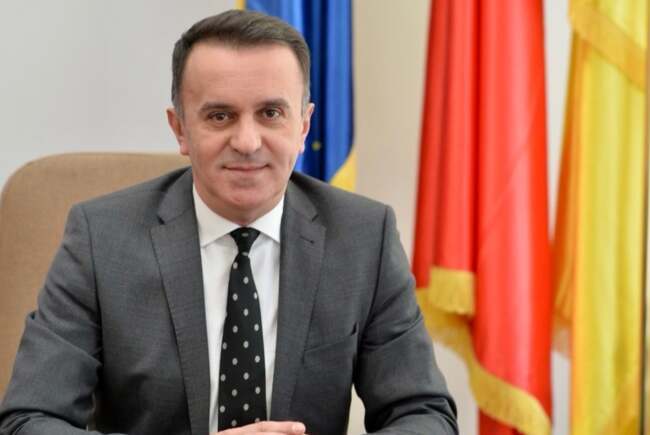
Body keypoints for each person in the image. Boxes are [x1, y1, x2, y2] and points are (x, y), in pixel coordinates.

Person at [0, 9, 457, 435]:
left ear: (303, 126)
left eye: (270, 113)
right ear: (180, 128)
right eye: (220, 116)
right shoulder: (101, 239)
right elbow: (29, 418)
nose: (247, 141)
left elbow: (424, 414)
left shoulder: (364, 238)